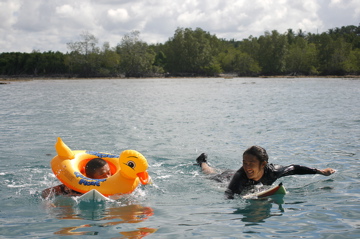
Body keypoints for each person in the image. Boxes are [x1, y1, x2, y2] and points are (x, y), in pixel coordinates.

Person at [195, 145, 335, 199]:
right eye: (244, 163)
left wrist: (320, 172)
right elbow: (228, 194)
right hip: (228, 178)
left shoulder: (273, 171)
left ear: (263, 164)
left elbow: (294, 168)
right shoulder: (240, 176)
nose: (247, 167)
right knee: (210, 173)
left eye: (251, 163)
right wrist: (244, 200)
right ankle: (202, 161)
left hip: (236, 176)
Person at [42, 158, 112, 198]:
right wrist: (48, 204)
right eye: (102, 175)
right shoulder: (77, 186)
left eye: (109, 173)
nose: (108, 177)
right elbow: (46, 192)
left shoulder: (115, 184)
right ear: (90, 177)